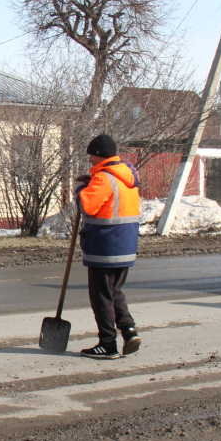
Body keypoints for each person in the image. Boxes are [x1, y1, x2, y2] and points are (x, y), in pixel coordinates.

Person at [76, 133, 142, 360]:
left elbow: (88, 206)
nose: (90, 160)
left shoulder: (104, 177)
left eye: (91, 156)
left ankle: (107, 343)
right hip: (125, 244)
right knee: (115, 291)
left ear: (99, 155)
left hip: (105, 245)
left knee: (101, 296)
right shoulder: (127, 177)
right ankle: (128, 330)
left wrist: (80, 191)